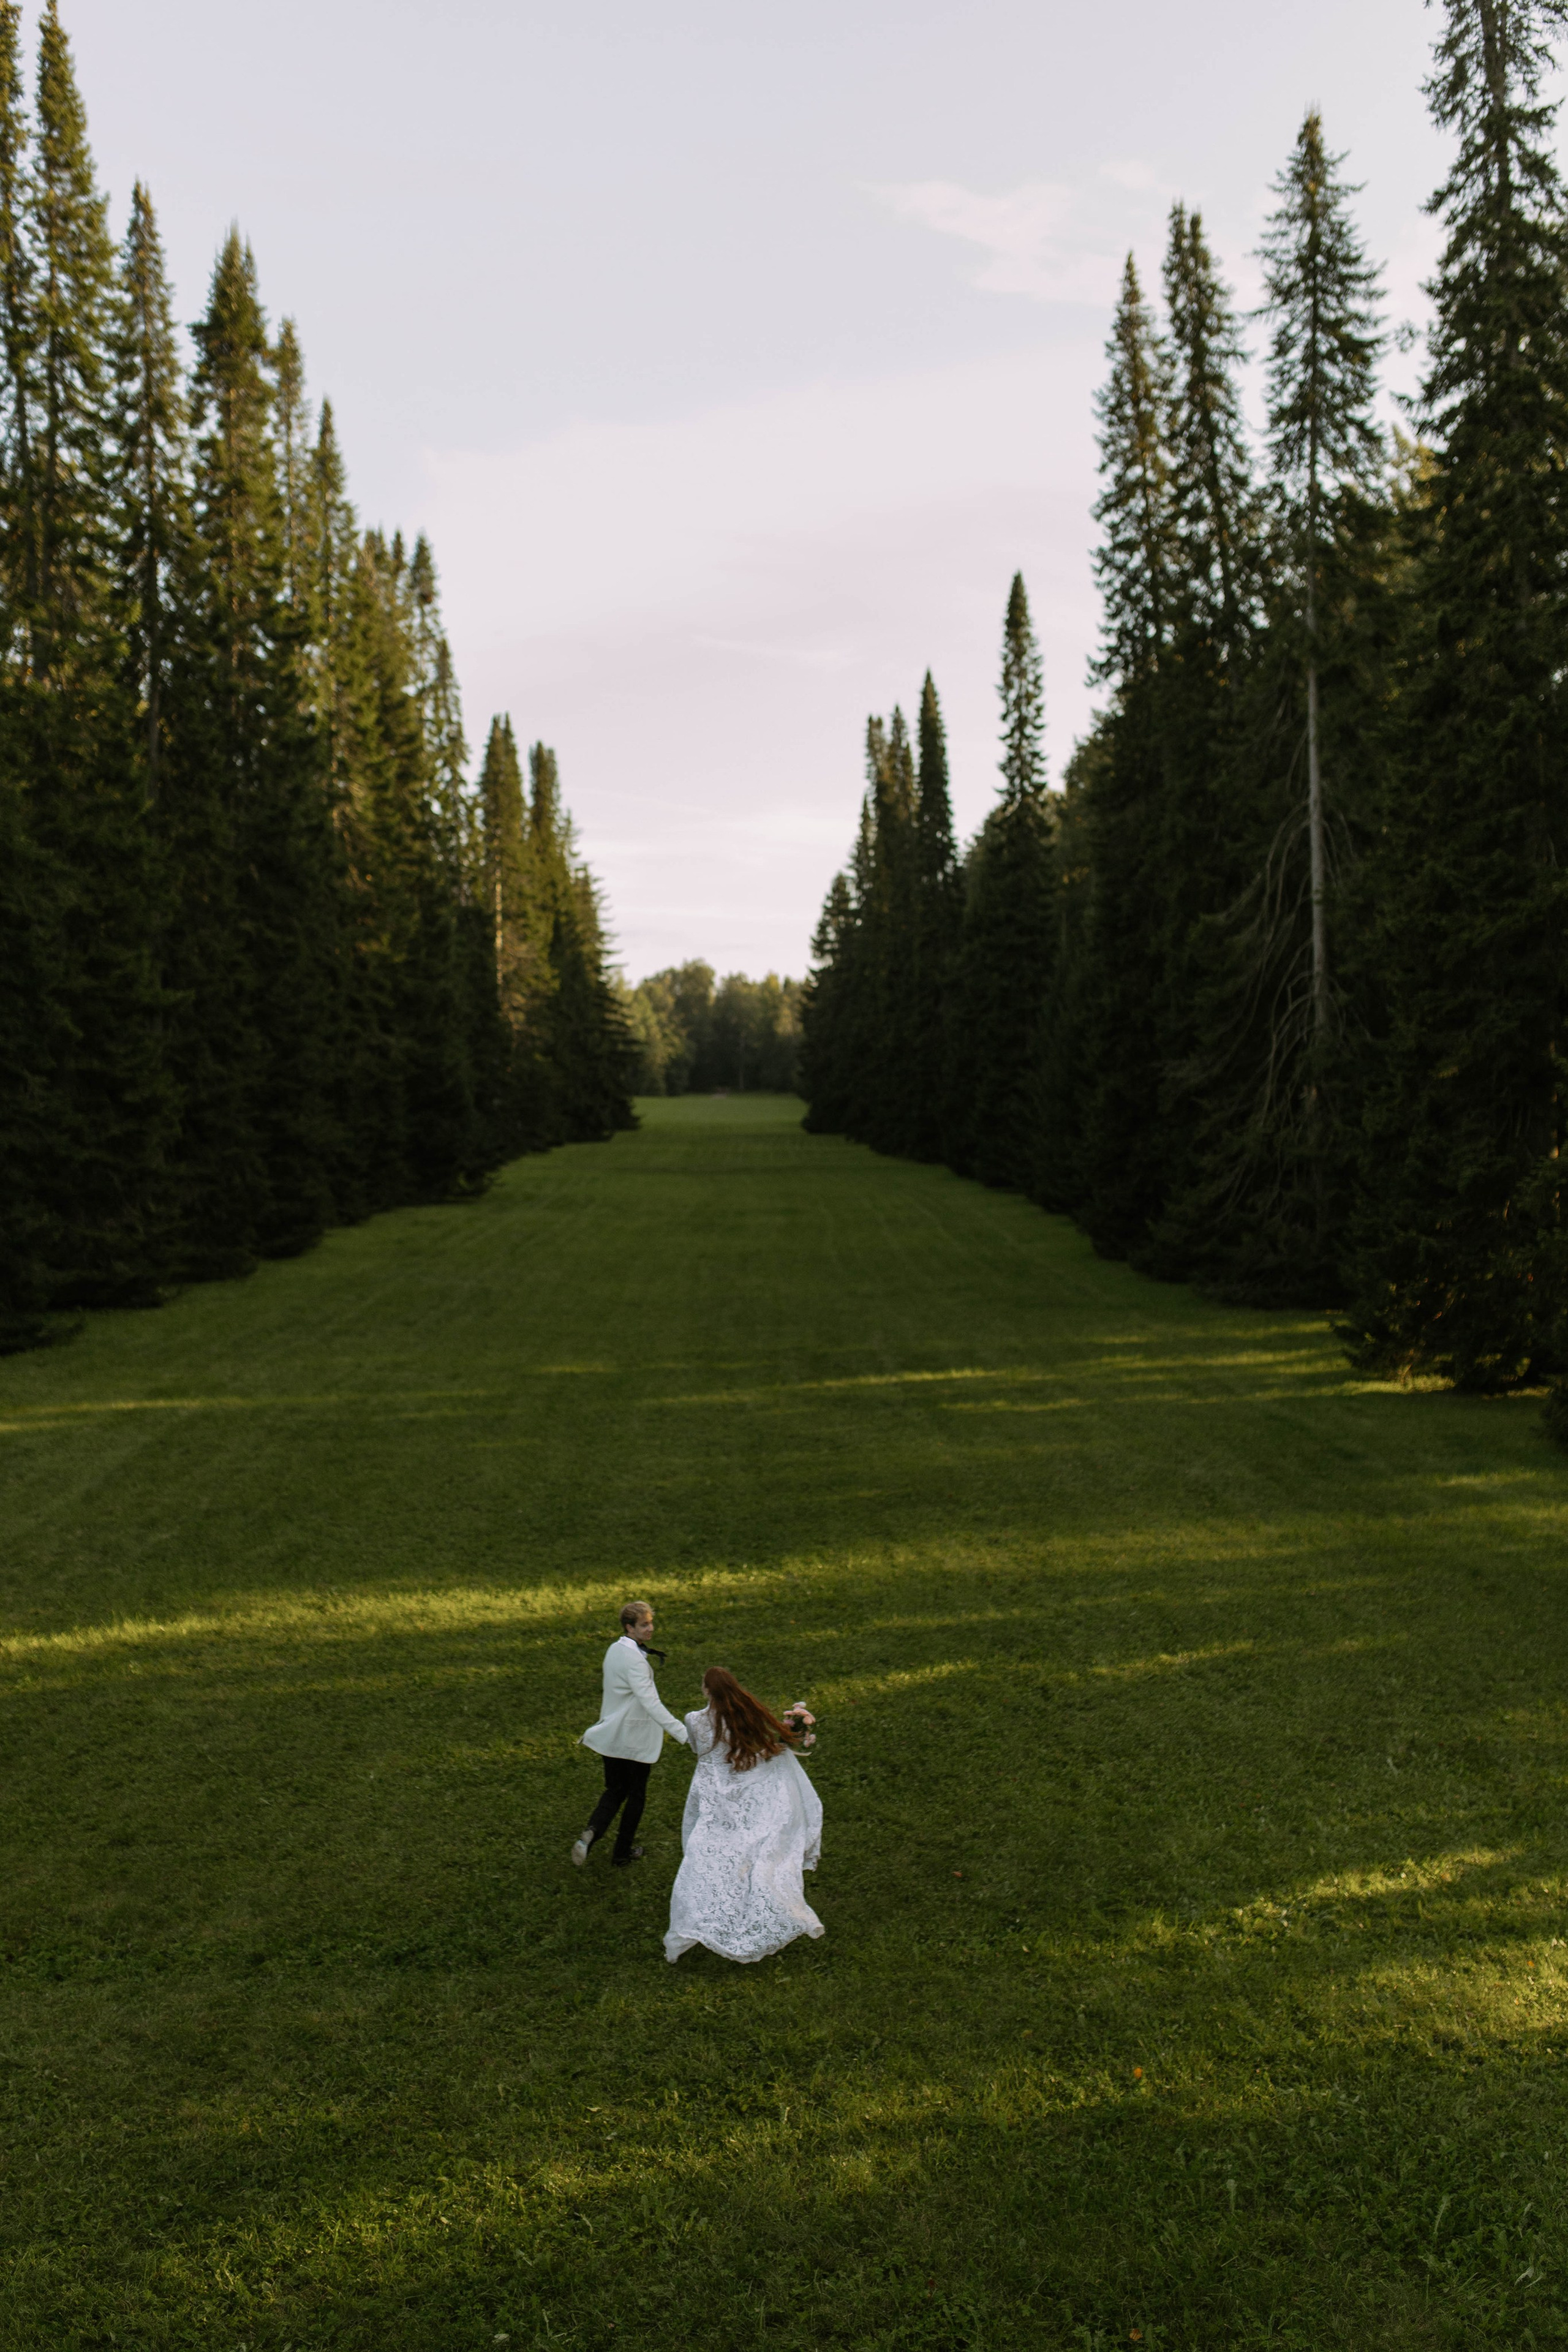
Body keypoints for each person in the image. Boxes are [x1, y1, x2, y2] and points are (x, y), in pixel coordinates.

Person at [665, 1667, 823, 1964]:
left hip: (711, 1786)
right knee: (743, 1842)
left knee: (711, 1843)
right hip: (742, 1779)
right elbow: (760, 1745)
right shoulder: (745, 1713)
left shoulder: (693, 1719)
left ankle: (709, 1905)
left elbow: (698, 1748)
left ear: (707, 1690)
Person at [573, 1601, 690, 1868]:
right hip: (633, 1739)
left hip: (610, 1737)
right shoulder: (635, 1660)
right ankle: (622, 1853)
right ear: (629, 1627)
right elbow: (651, 1703)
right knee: (636, 1795)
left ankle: (592, 1831)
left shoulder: (614, 1650)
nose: (651, 1629)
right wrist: (683, 1733)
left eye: (651, 1623)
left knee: (615, 1790)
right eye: (644, 1625)